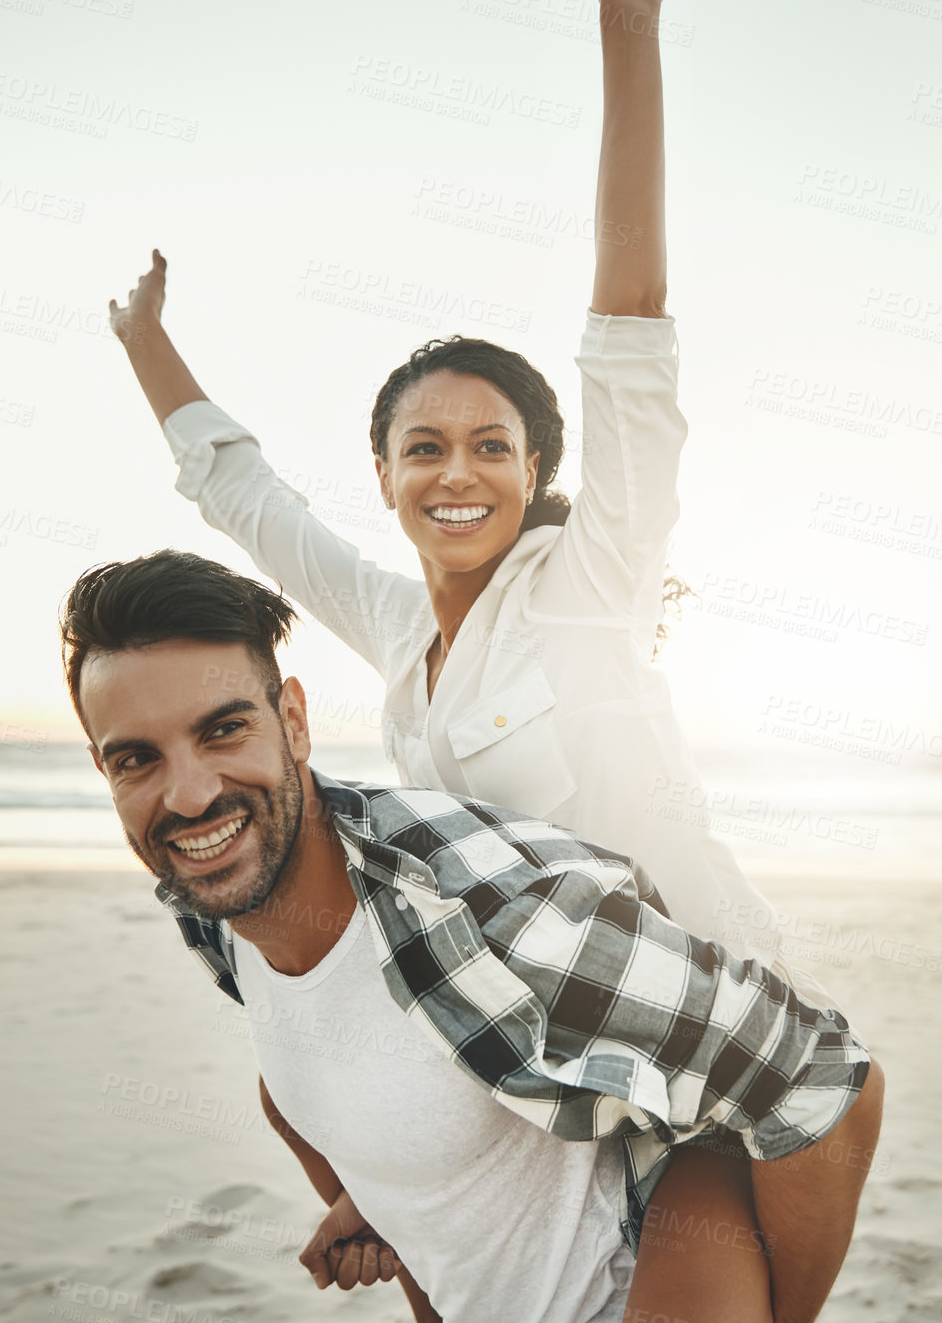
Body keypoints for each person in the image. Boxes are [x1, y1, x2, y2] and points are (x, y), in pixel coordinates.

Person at [58, 549, 885, 1323]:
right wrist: (380, 1193)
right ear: (106, 770)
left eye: (223, 730)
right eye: (138, 759)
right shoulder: (211, 897)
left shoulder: (495, 914)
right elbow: (298, 1057)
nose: (192, 795)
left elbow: (820, 1077)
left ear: (295, 721)